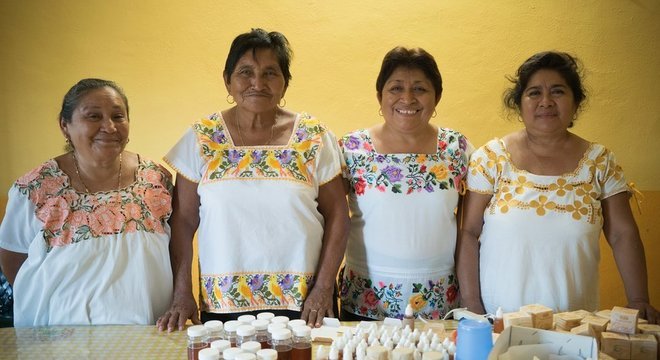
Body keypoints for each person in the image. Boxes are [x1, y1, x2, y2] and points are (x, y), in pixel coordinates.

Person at [157, 28, 349, 331]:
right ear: (227, 80)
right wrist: (182, 292)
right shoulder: (201, 138)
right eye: (245, 72)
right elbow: (182, 222)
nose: (257, 83)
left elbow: (338, 215)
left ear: (285, 81)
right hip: (223, 305)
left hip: (305, 305)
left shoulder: (314, 137)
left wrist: (324, 288)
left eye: (270, 73)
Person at [457, 51, 658, 323]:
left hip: (575, 326)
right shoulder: (491, 159)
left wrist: (638, 299)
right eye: (534, 93)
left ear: (576, 103)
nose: (546, 102)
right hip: (498, 323)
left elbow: (623, 234)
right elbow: (468, 233)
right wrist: (472, 305)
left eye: (558, 92)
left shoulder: (599, 163)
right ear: (519, 103)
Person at [0, 78, 174, 327]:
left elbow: (174, 249)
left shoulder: (157, 179)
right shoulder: (34, 187)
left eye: (118, 116)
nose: (109, 127)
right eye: (93, 117)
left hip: (145, 330)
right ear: (65, 125)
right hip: (59, 336)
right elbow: (12, 257)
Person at [338, 47, 471, 321]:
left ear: (437, 97)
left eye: (420, 89)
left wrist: (473, 299)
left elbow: (470, 229)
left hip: (439, 303)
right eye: (396, 88)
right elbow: (330, 221)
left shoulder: (457, 148)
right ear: (380, 96)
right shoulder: (352, 148)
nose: (407, 98)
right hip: (366, 302)